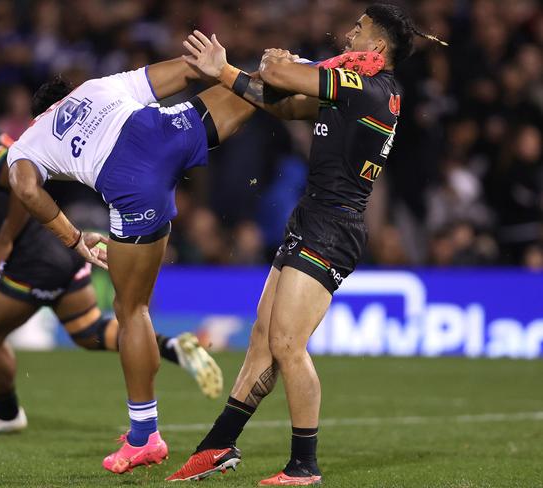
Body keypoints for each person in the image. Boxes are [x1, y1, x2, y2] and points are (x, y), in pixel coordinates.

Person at [168, 4, 446, 486]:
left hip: (333, 227)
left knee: (288, 344)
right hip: (312, 218)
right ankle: (216, 446)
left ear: (376, 46)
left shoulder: (370, 87)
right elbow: (280, 101)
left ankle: (304, 466)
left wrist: (272, 62)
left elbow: (277, 73)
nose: (350, 34)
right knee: (263, 338)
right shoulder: (351, 88)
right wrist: (236, 74)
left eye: (359, 29)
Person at [0, 72, 224, 439]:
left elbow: (23, 189)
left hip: (36, 256)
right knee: (89, 331)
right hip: (59, 251)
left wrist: (4, 239)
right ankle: (172, 347)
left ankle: (5, 414)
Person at [6, 57, 260, 473]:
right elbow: (186, 69)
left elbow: (25, 187)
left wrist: (73, 239)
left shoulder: (29, 141)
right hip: (164, 131)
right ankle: (339, 82)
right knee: (259, 88)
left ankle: (145, 437)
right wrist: (219, 66)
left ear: (39, 114)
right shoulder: (95, 86)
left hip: (132, 184)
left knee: (131, 309)